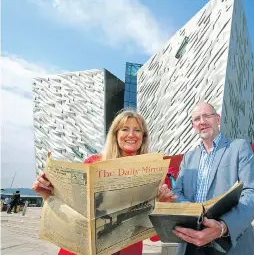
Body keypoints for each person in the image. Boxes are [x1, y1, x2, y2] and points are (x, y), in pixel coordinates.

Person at [32, 109, 176, 255]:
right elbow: (71, 209)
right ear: (115, 134)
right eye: (125, 129)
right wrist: (47, 194)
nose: (131, 135)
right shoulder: (92, 163)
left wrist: (164, 206)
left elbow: (155, 236)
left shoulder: (157, 172)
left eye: (137, 130)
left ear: (143, 137)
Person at [172, 101, 254, 255]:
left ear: (218, 119)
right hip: (190, 245)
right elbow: (177, 193)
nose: (202, 121)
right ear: (193, 125)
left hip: (230, 243)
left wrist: (223, 226)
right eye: (196, 119)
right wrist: (191, 211)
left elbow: (253, 193)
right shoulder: (188, 158)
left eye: (207, 115)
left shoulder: (239, 147)